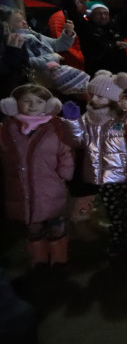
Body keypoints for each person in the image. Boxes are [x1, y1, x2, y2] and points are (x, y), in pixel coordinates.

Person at [62, 71, 127, 257]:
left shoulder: (125, 120)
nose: (95, 99)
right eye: (93, 94)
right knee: (113, 211)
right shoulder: (88, 118)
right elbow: (78, 141)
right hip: (103, 176)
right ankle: (118, 240)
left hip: (125, 175)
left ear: (113, 98)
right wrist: (72, 122)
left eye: (100, 95)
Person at [0, 84, 74, 266]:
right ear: (14, 104)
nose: (33, 106)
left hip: (51, 188)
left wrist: (64, 174)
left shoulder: (56, 128)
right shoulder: (8, 129)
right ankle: (39, 259)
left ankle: (58, 259)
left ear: (48, 105)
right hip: (22, 190)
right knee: (33, 227)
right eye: (26, 101)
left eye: (39, 102)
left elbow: (65, 153)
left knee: (56, 226)